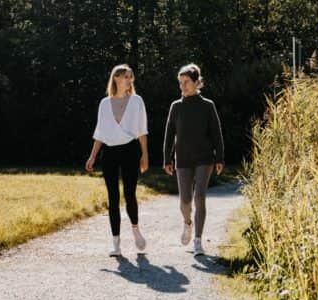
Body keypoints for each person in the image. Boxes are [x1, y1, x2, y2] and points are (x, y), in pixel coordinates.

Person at [86, 64, 149, 257]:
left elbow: (142, 130)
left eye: (131, 77)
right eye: (127, 77)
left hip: (130, 151)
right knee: (113, 198)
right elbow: (100, 133)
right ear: (116, 78)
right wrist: (92, 156)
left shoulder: (137, 101)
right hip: (110, 153)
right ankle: (116, 243)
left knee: (129, 194)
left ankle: (136, 228)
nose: (130, 80)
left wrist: (144, 154)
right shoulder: (104, 103)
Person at [163, 63, 224, 255]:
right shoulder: (176, 106)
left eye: (186, 82)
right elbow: (169, 134)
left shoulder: (208, 106)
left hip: (205, 158)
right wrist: (167, 158)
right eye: (180, 83)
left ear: (197, 83)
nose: (183, 86)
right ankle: (187, 222)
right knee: (185, 201)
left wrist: (220, 157)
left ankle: (198, 240)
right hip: (182, 159)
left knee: (200, 197)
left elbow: (217, 133)